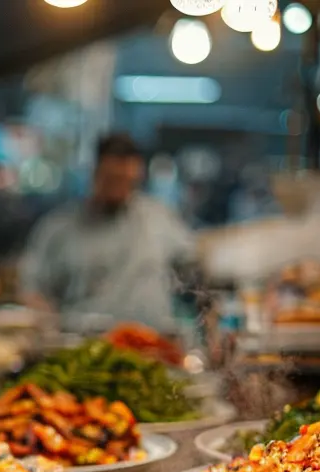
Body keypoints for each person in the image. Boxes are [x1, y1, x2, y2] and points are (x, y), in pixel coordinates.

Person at [20, 133, 197, 331]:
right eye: (113, 180)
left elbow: (194, 262)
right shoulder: (57, 228)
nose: (121, 189)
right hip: (85, 347)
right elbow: (33, 291)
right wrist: (49, 328)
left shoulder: (159, 218)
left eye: (128, 181)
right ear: (95, 173)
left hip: (153, 345)